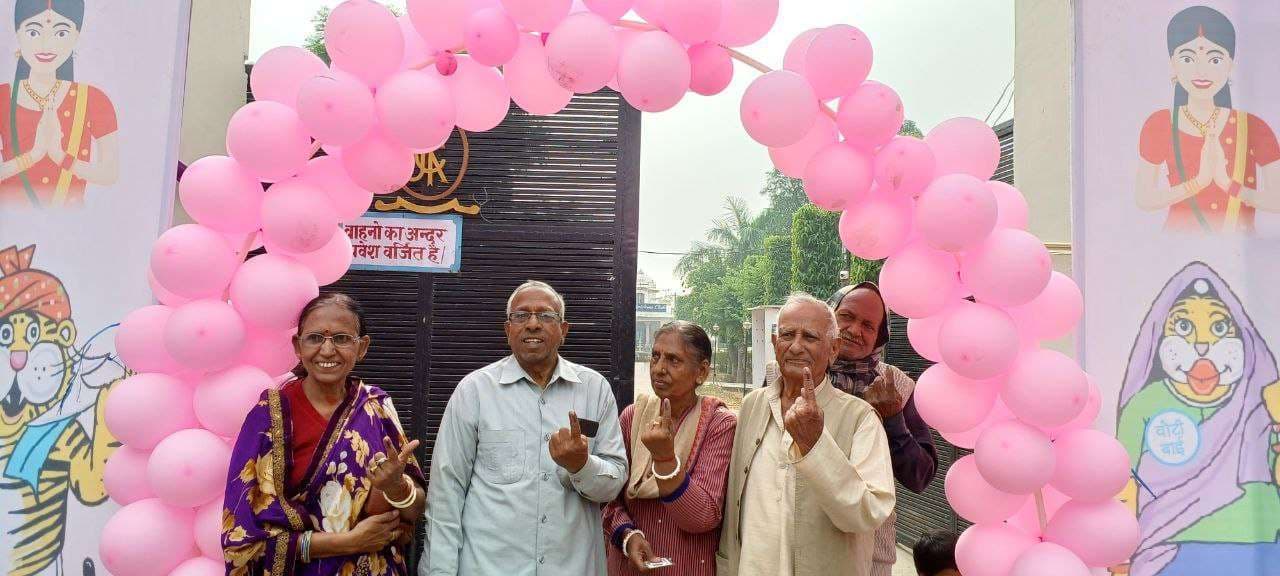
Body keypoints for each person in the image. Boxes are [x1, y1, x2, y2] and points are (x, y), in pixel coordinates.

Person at [423, 280, 628, 575]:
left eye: (546, 316)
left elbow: (613, 482)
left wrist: (581, 465)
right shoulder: (475, 391)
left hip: (573, 567)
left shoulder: (594, 390)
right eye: (521, 316)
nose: (533, 324)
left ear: (564, 330)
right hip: (488, 567)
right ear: (508, 330)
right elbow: (446, 493)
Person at [223, 293, 427, 576]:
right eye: (315, 338)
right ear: (298, 346)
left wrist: (397, 488)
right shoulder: (269, 415)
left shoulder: (376, 407)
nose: (327, 351)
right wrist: (347, 543)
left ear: (362, 347)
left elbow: (414, 511)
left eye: (342, 339)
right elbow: (241, 539)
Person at [717, 293, 896, 576]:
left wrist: (816, 445)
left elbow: (869, 512)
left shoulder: (860, 418)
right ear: (775, 344)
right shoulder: (753, 405)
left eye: (810, 337)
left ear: (833, 349)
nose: (796, 346)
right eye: (788, 334)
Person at [602, 321, 737, 575]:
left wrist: (664, 459)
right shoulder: (633, 417)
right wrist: (628, 536)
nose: (659, 369)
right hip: (630, 566)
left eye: (673, 360)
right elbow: (609, 497)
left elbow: (703, 516)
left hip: (685, 566)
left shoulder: (718, 424)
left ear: (702, 372)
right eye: (655, 357)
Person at [1134, 5, 1280, 234]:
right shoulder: (1160, 123)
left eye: (1214, 60)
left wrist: (1227, 184)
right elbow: (1144, 198)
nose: (1201, 71)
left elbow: (1276, 200)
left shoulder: (1253, 127)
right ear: (1172, 63)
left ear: (1230, 64)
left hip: (1239, 250)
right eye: (1188, 59)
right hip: (1175, 250)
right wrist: (1198, 183)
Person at [829, 283, 938, 576]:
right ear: (829, 318)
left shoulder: (896, 386)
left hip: (869, 550)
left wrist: (893, 420)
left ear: (880, 336)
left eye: (868, 325)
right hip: (796, 536)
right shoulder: (795, 372)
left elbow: (920, 477)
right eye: (847, 317)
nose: (854, 330)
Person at [2, 0, 119, 208]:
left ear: (76, 36)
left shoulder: (93, 99)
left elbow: (109, 174)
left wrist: (61, 157)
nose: (46, 44)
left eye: (61, 33)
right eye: (34, 32)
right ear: (17, 33)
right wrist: (32, 156)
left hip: (71, 227)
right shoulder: (3, 96)